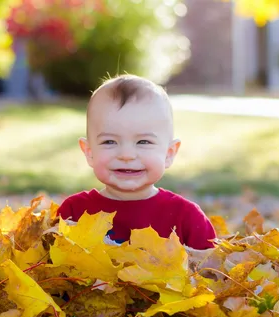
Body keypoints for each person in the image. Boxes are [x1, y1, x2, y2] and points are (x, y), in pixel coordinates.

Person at [57, 74, 216, 250]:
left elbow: (212, 269)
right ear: (89, 152)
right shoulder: (73, 213)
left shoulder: (187, 218)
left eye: (143, 142)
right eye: (109, 142)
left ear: (169, 154)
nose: (127, 155)